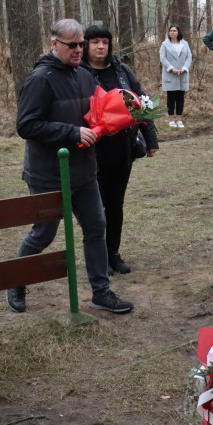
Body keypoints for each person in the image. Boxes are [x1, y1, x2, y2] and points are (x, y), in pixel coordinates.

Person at [9, 19, 133, 315]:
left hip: (84, 170)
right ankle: (15, 282)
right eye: (72, 45)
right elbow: (26, 125)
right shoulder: (41, 79)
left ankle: (101, 292)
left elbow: (95, 113)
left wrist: (109, 125)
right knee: (43, 234)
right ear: (54, 44)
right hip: (48, 173)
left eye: (81, 44)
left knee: (96, 227)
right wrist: (71, 132)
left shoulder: (85, 75)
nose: (79, 49)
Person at [81, 24, 159, 276]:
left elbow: (141, 101)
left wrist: (150, 138)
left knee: (115, 205)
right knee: (96, 208)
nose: (100, 46)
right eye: (94, 42)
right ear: (86, 45)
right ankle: (99, 257)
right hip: (92, 151)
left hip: (122, 149)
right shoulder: (78, 73)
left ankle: (113, 253)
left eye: (104, 41)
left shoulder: (122, 70)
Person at [159, 24, 191, 127]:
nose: (172, 32)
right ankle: (171, 119)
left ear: (178, 32)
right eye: (171, 31)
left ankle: (179, 119)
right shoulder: (165, 44)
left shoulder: (185, 44)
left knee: (180, 97)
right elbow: (163, 58)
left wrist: (184, 69)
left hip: (182, 74)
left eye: (174, 31)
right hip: (170, 74)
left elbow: (189, 57)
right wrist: (172, 68)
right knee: (171, 97)